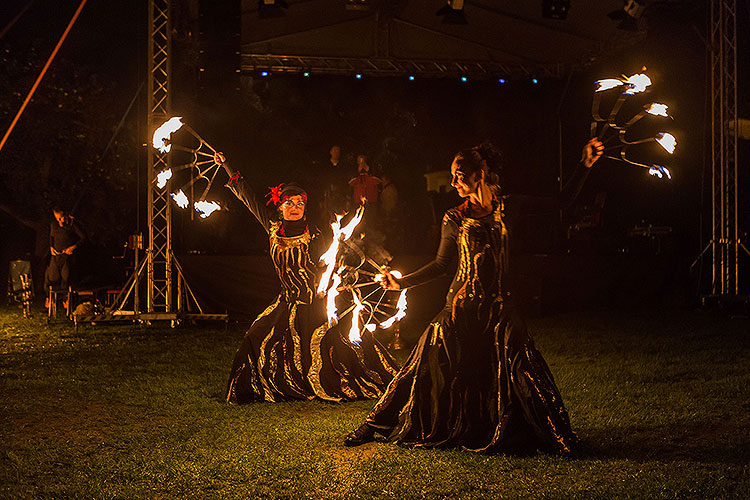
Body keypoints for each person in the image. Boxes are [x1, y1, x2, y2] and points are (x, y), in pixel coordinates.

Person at [343, 138, 603, 454]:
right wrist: (402, 283)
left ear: (480, 173)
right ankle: (375, 424)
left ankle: (558, 437)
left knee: (523, 368)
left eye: (459, 175)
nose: (453, 182)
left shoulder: (510, 206)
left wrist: (584, 165)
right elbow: (441, 265)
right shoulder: (453, 217)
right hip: (459, 308)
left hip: (500, 308)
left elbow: (563, 201)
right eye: (453, 176)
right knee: (420, 365)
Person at [215, 152, 399, 404]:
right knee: (254, 338)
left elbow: (331, 264)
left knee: (336, 350)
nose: (294, 208)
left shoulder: (315, 234)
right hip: (287, 303)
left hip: (317, 302)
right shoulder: (272, 228)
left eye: (299, 204)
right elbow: (247, 196)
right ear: (279, 207)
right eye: (289, 203)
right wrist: (226, 165)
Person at [44, 208, 85, 308]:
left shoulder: (72, 225)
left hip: (67, 256)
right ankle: (49, 298)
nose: (60, 221)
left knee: (66, 278)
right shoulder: (54, 225)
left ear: (66, 215)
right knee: (51, 277)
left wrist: (73, 247)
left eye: (61, 218)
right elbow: (51, 237)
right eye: (57, 218)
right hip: (56, 255)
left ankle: (66, 299)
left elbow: (83, 238)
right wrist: (51, 247)